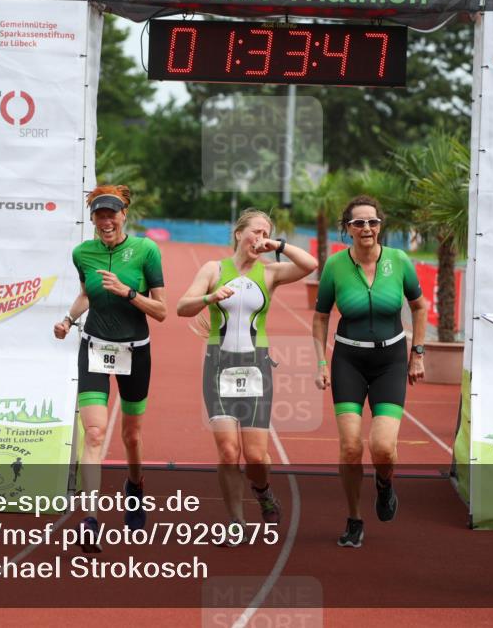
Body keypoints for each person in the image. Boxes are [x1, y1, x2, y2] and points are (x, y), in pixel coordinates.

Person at [176, 209, 317, 533]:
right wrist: (211, 296)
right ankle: (236, 522)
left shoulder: (270, 273)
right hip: (218, 365)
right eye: (256, 231)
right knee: (228, 451)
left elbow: (310, 265)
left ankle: (263, 490)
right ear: (239, 234)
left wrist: (278, 245)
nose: (261, 237)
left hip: (256, 367)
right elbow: (183, 307)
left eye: (266, 232)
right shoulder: (214, 269)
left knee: (256, 457)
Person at [53, 185, 166, 548]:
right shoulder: (82, 253)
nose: (106, 221)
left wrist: (128, 292)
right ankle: (89, 519)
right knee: (96, 433)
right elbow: (86, 294)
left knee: (131, 436)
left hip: (136, 351)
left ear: (124, 215)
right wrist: (68, 321)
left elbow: (162, 311)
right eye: (99, 215)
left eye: (111, 214)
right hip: (95, 347)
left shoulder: (147, 251)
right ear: (92, 220)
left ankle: (135, 485)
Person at [311, 195, 427, 548]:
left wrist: (417, 353)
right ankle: (354, 518)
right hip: (349, 360)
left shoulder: (399, 260)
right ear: (347, 229)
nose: (366, 228)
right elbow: (320, 316)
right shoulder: (334, 266)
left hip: (390, 360)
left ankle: (384, 482)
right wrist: (320, 362)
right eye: (358, 223)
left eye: (372, 222)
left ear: (381, 225)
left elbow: (419, 307)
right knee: (349, 447)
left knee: (382, 448)